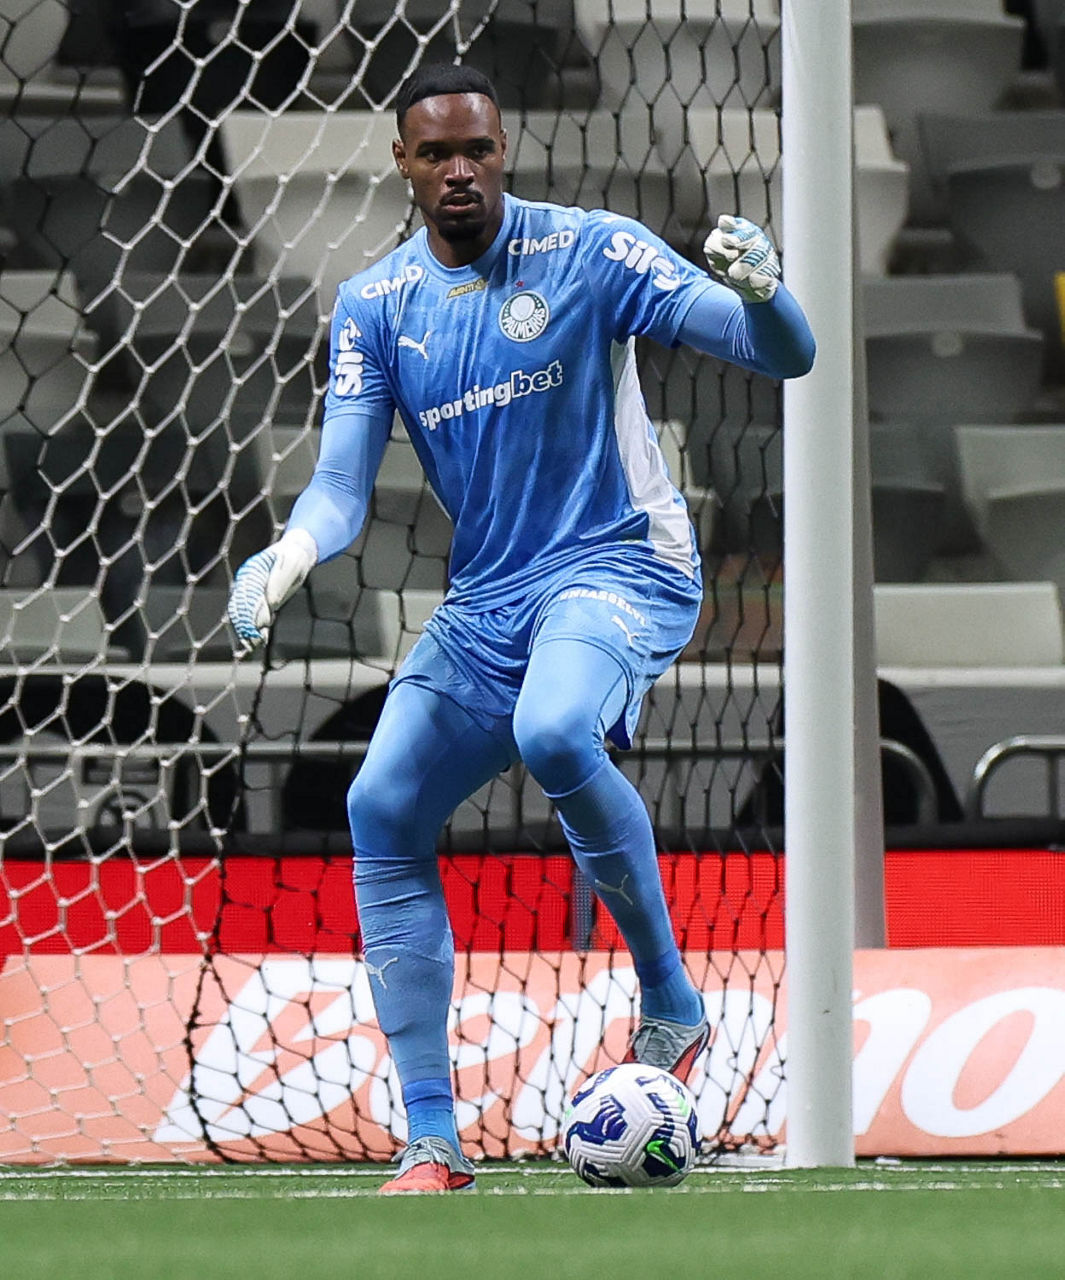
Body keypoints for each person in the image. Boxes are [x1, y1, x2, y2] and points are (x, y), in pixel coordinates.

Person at [227, 63, 815, 1194]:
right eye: (435, 154)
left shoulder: (591, 250)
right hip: (489, 599)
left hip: (621, 562)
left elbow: (782, 356)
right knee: (379, 805)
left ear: (504, 151)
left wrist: (764, 293)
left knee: (553, 730)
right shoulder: (377, 306)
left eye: (478, 150)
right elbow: (341, 488)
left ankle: (670, 1002)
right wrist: (286, 556)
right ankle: (432, 1140)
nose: (460, 170)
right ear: (403, 165)